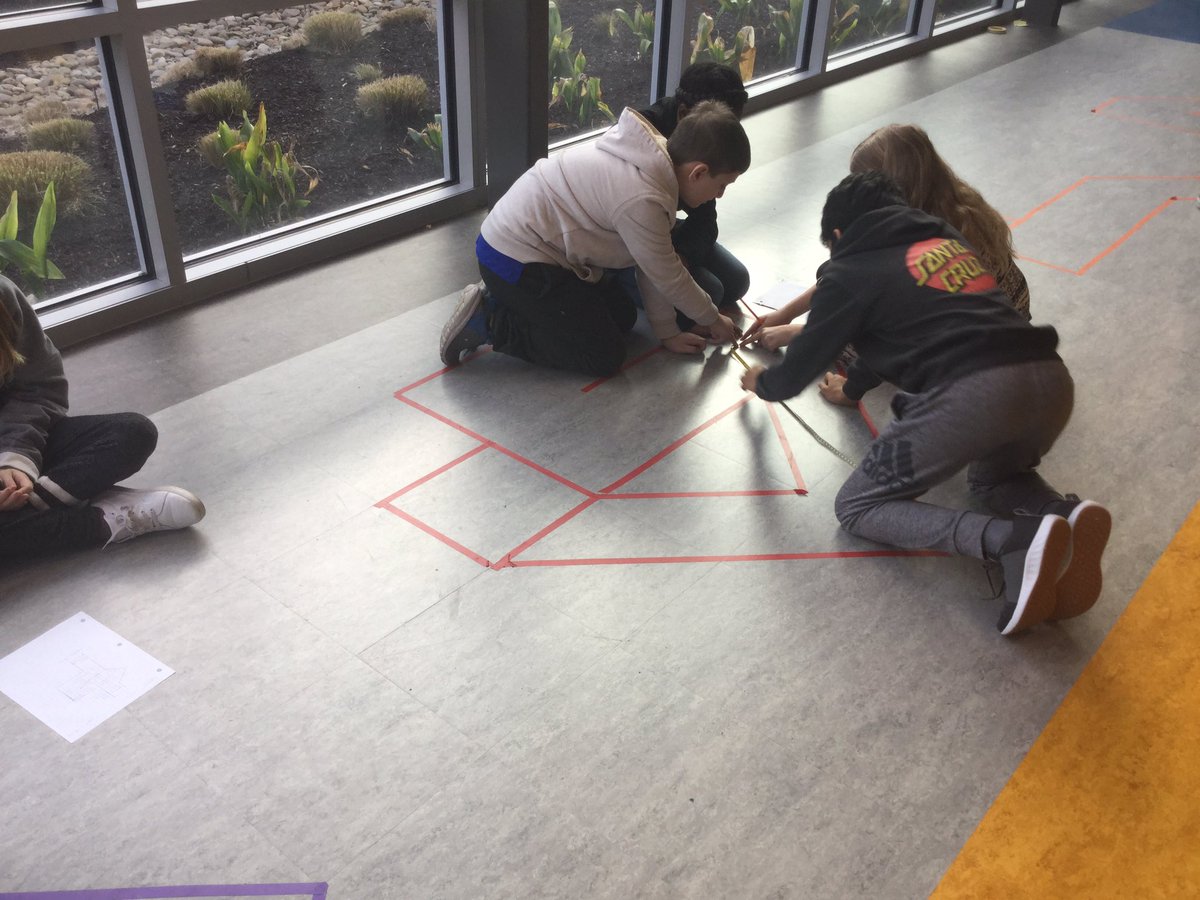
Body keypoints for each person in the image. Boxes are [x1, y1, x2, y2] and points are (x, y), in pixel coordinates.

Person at [739, 172, 1110, 635]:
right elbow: (894, 334)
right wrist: (853, 389)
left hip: (977, 392)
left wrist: (762, 382)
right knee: (993, 478)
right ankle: (1061, 516)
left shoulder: (847, 272)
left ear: (837, 235)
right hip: (1049, 380)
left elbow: (798, 371)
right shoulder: (942, 239)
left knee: (856, 507)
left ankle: (1011, 541)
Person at [439, 100, 748, 377]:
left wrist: (666, 332)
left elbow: (650, 267)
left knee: (622, 317)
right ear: (697, 173)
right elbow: (666, 274)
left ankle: (513, 301)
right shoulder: (643, 196)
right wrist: (711, 319)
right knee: (602, 356)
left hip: (540, 253)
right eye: (722, 185)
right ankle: (490, 321)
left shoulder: (654, 163)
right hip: (512, 260)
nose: (719, 195)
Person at [745, 124, 1031, 404]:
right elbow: (851, 275)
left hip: (973, 356)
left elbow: (881, 332)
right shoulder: (952, 202)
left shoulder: (923, 240)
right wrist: (786, 312)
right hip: (1004, 327)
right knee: (835, 270)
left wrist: (800, 335)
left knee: (862, 330)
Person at [0, 276, 205, 559]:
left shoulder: (3, 295)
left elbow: (38, 388)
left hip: (16, 443)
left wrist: (15, 458)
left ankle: (31, 510)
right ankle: (101, 521)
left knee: (133, 432)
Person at [629, 62, 751, 320]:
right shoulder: (640, 144)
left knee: (737, 282)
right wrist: (669, 267)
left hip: (666, 229)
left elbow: (705, 217)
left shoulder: (708, 137)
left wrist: (684, 253)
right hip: (630, 241)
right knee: (711, 294)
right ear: (684, 114)